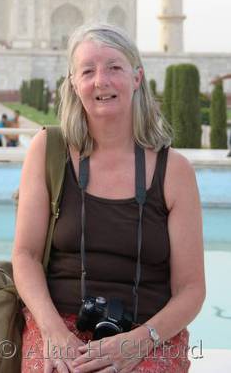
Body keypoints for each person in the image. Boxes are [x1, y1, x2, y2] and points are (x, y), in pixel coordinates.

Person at [12, 23, 205, 372]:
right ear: (73, 82)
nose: (101, 81)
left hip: (149, 331)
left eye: (114, 67)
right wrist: (53, 332)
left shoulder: (174, 172)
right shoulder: (48, 151)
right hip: (58, 323)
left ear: (136, 77)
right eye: (88, 71)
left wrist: (140, 340)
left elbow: (191, 289)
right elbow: (25, 255)